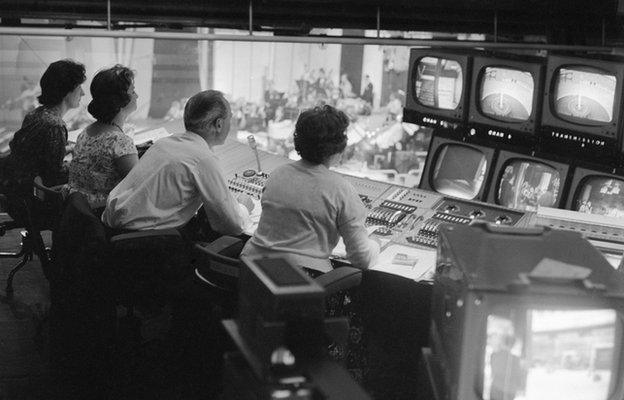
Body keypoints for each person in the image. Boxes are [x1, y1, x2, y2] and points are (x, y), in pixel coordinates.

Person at [241, 105, 380, 273]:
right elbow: (362, 258)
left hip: (252, 275)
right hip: (302, 283)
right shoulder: (341, 190)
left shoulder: (277, 175)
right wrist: (375, 243)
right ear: (338, 146)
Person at [101, 90, 253, 238]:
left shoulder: (164, 143)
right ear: (219, 124)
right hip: (144, 242)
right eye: (230, 118)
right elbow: (233, 225)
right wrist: (244, 207)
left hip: (112, 229)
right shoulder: (203, 159)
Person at [3, 59, 86, 198]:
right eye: (79, 88)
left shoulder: (36, 114)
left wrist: (68, 148)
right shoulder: (55, 125)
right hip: (30, 196)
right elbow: (53, 175)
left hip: (15, 188)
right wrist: (78, 163)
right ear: (67, 91)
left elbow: (38, 154)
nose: (83, 93)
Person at [67, 65, 139, 209]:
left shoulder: (85, 133)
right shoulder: (120, 142)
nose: (137, 95)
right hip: (102, 216)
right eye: (133, 91)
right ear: (120, 100)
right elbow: (140, 188)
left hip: (79, 213)